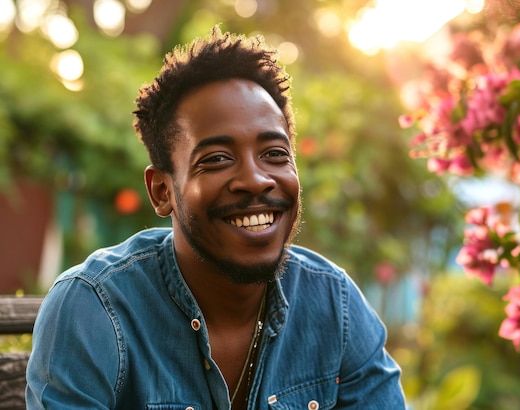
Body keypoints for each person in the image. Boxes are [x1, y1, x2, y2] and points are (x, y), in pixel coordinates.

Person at [25, 26, 406, 409]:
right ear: (162, 191)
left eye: (274, 153)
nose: (256, 180)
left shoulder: (332, 303)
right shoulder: (95, 309)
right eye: (216, 159)